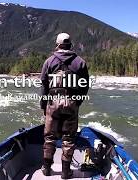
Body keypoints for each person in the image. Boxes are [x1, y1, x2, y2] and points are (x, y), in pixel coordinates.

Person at [40, 33, 89, 179]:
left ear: (57, 44)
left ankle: (47, 169)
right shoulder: (80, 62)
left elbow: (44, 85)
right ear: (70, 45)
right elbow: (85, 85)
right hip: (71, 102)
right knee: (69, 138)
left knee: (49, 137)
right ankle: (66, 172)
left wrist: (44, 105)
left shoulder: (49, 61)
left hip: (53, 103)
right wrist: (77, 102)